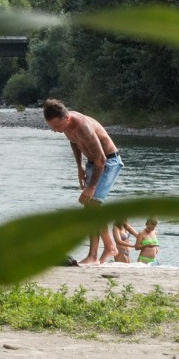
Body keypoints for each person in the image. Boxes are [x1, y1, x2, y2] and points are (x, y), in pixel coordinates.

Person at [43, 99, 122, 265]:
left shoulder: (83, 126)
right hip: (93, 163)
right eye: (52, 128)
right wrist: (79, 167)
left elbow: (101, 158)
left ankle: (94, 256)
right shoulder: (67, 126)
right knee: (90, 208)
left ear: (66, 118)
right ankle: (109, 247)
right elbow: (74, 142)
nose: (56, 131)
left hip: (108, 162)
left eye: (57, 127)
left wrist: (91, 187)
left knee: (91, 206)